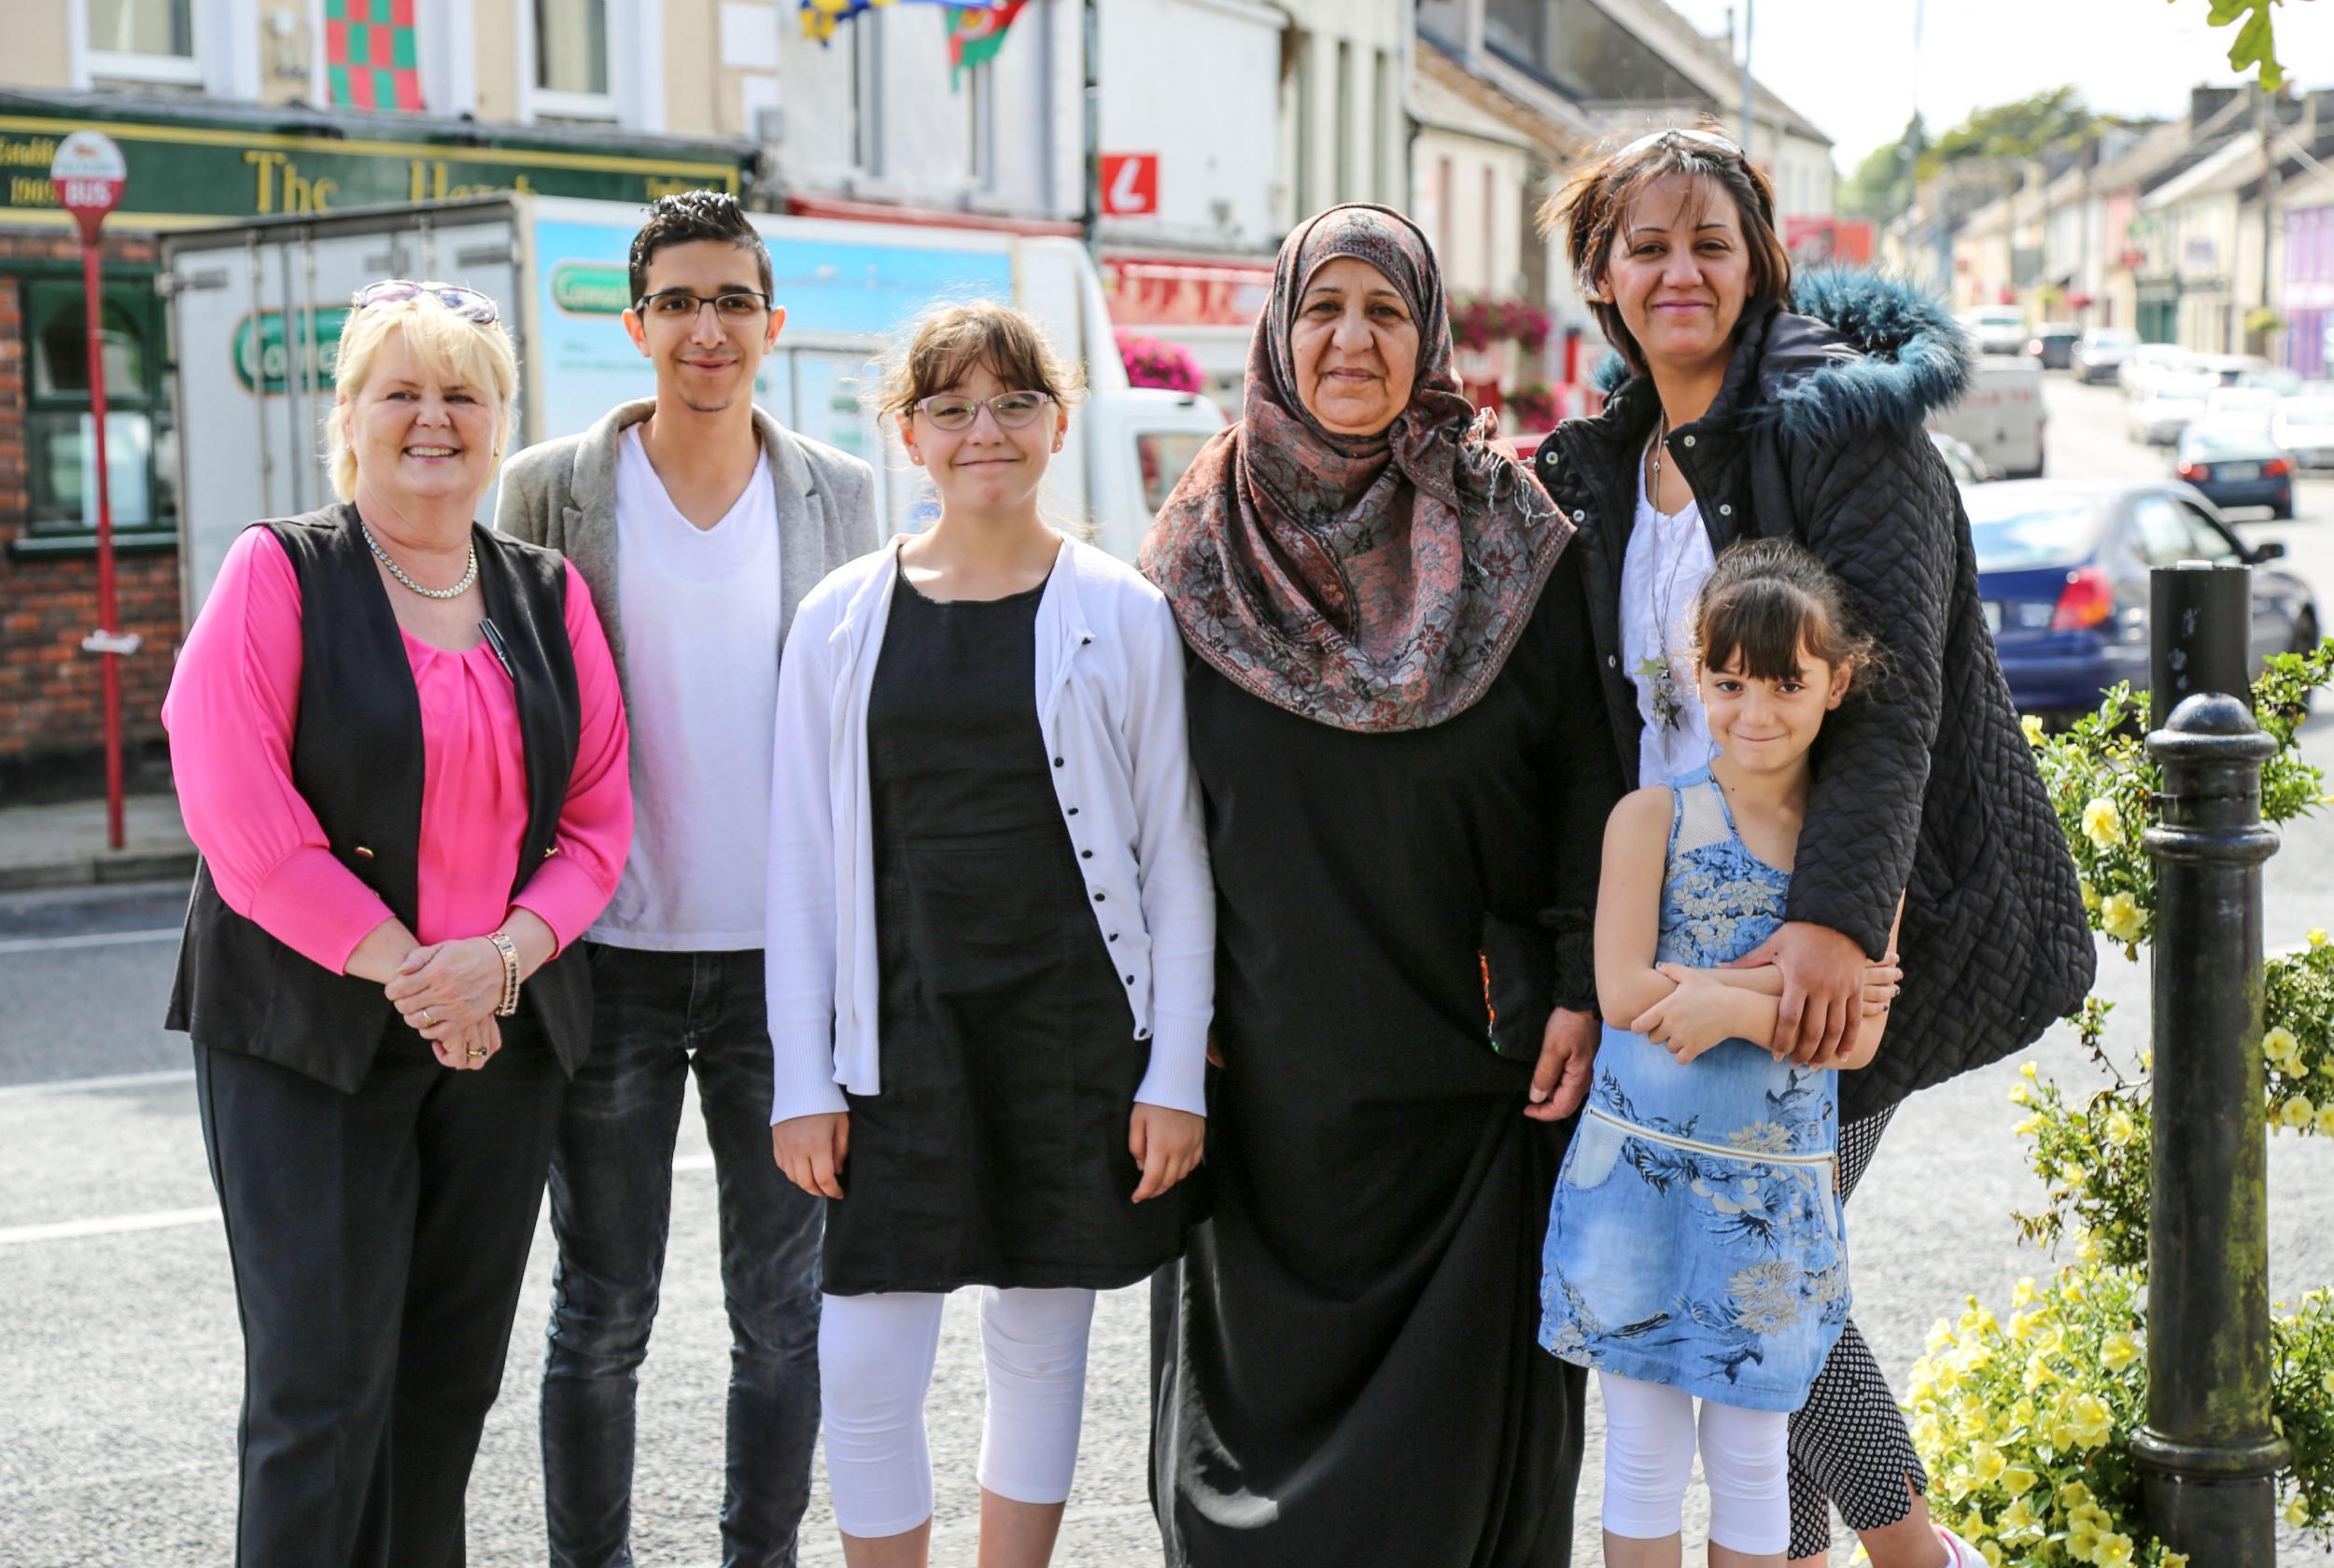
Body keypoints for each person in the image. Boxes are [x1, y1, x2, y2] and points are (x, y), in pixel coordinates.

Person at [1525, 126, 2092, 1568]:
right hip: (1675, 924)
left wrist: (1841, 923)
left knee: (1769, 1254)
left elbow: (1897, 703)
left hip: (1826, 916)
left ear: (1763, 260)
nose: (1678, 270)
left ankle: (1915, 1557)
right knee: (1760, 1265)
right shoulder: (1601, 465)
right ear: (1599, 269)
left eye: (1710, 241)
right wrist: (1594, 969)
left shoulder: (1845, 425)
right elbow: (1608, 738)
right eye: (1644, 244)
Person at [1141, 203, 1624, 1568]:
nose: (1352, 338)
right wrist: (1170, 1038)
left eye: (1386, 311)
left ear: (1428, 336)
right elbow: (1135, 815)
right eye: (1324, 308)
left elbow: (1591, 782)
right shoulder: (1192, 549)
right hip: (1266, 1076)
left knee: (1465, 1475)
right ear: (1279, 332)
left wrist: (1583, 983)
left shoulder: (1516, 533)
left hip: (1473, 1072)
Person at [162, 278, 632, 1568]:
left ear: (500, 424)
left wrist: (502, 962)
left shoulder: (545, 592)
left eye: (464, 395)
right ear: (352, 420)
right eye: (404, 393)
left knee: (445, 1386)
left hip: (503, 1040)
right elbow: (239, 814)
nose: (436, 420)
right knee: (321, 1391)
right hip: (310, 1034)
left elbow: (598, 820)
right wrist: (421, 974)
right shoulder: (279, 571)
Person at [766, 301, 1213, 1568]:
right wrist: (802, 1078)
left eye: (1013, 402)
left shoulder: (1122, 611)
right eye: (951, 407)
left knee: (1038, 1343)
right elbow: (799, 865)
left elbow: (1175, 860)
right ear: (908, 436)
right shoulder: (841, 619)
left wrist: (1174, 1070)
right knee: (863, 1356)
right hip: (894, 1028)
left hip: (1068, 1023)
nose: (984, 431)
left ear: (1057, 421)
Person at [496, 189, 880, 1568]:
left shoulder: (840, 492)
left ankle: (754, 1558)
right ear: (635, 323)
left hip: (787, 971)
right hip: (607, 961)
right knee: (602, 1308)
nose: (705, 328)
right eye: (678, 302)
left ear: (771, 326)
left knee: (781, 1312)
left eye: (731, 301)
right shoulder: (549, 489)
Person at [1543, 539, 1897, 1567]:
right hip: (1637, 1186)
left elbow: (1863, 1028)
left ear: (1834, 684)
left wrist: (1724, 1004)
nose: (1755, 710)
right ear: (1696, 676)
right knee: (1644, 1452)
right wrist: (1775, 993)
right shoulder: (1648, 819)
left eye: (1786, 683)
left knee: (1752, 1458)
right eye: (1730, 681)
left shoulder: (1856, 852)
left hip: (1772, 1198)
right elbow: (1622, 993)